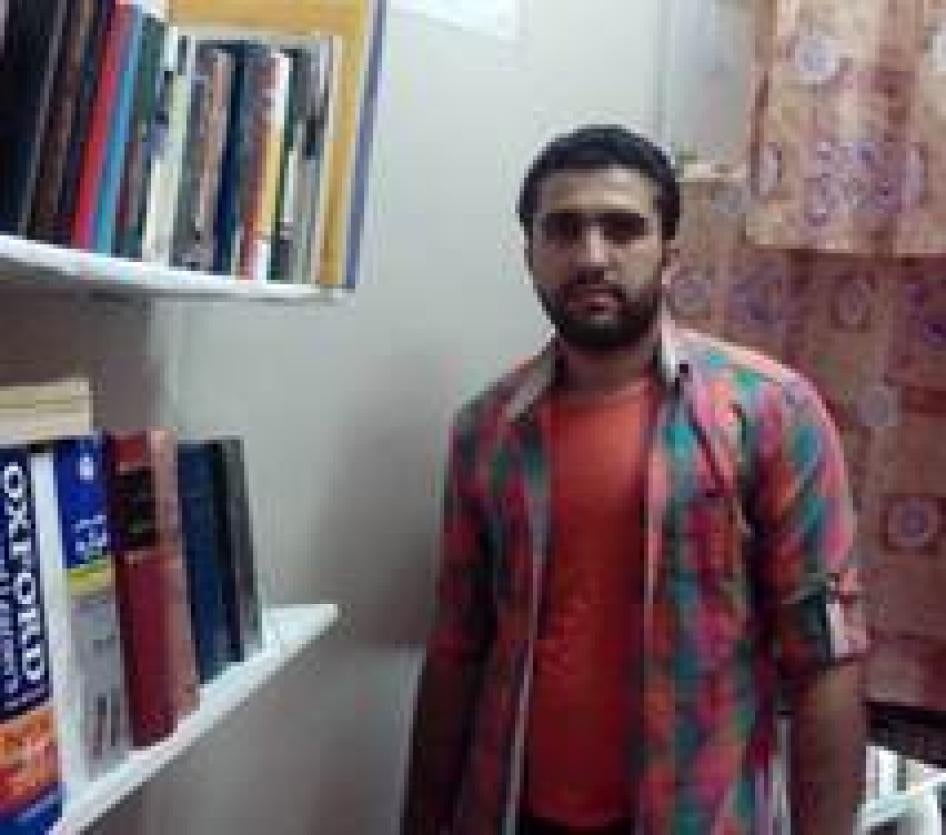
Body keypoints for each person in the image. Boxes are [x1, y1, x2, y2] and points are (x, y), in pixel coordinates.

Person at [402, 125, 868, 835]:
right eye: (563, 230)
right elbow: (458, 648)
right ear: (530, 256)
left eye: (622, 229)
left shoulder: (772, 414)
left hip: (699, 816)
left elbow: (825, 658)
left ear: (670, 257)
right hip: (513, 812)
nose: (592, 256)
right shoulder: (485, 432)